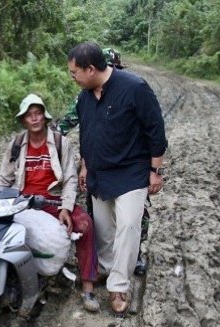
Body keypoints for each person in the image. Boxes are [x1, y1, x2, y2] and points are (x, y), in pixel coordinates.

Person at [0, 94, 101, 312]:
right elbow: (4, 178)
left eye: (38, 114)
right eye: (29, 115)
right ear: (23, 120)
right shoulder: (17, 143)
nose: (34, 119)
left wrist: (65, 207)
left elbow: (70, 179)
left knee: (85, 225)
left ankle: (88, 285)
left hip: (51, 200)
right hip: (22, 200)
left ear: (44, 118)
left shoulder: (59, 142)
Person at [67, 41, 168, 316]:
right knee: (103, 230)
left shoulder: (134, 88)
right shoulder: (85, 98)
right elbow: (86, 135)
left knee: (127, 227)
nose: (72, 77)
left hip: (132, 172)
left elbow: (155, 130)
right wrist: (85, 167)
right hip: (100, 173)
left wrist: (155, 171)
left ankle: (119, 286)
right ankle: (107, 270)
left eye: (74, 72)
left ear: (91, 69)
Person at [53, 47, 150, 277]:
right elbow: (72, 123)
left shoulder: (133, 90)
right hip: (98, 165)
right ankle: (101, 262)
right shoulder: (86, 96)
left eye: (116, 69)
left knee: (134, 218)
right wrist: (48, 137)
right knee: (98, 216)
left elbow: (150, 130)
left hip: (129, 168)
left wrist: (152, 167)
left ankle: (134, 255)